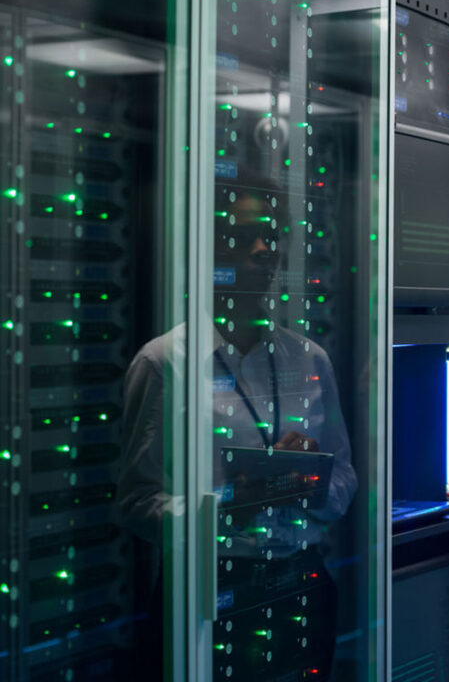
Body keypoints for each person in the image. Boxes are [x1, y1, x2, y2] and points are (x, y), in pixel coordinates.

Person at [118, 172, 357, 680]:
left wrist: (311, 481)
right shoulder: (165, 362)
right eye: (243, 236)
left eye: (270, 236)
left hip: (301, 580)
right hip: (208, 588)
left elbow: (344, 478)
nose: (263, 250)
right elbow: (136, 503)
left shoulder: (309, 358)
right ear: (208, 249)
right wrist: (228, 505)